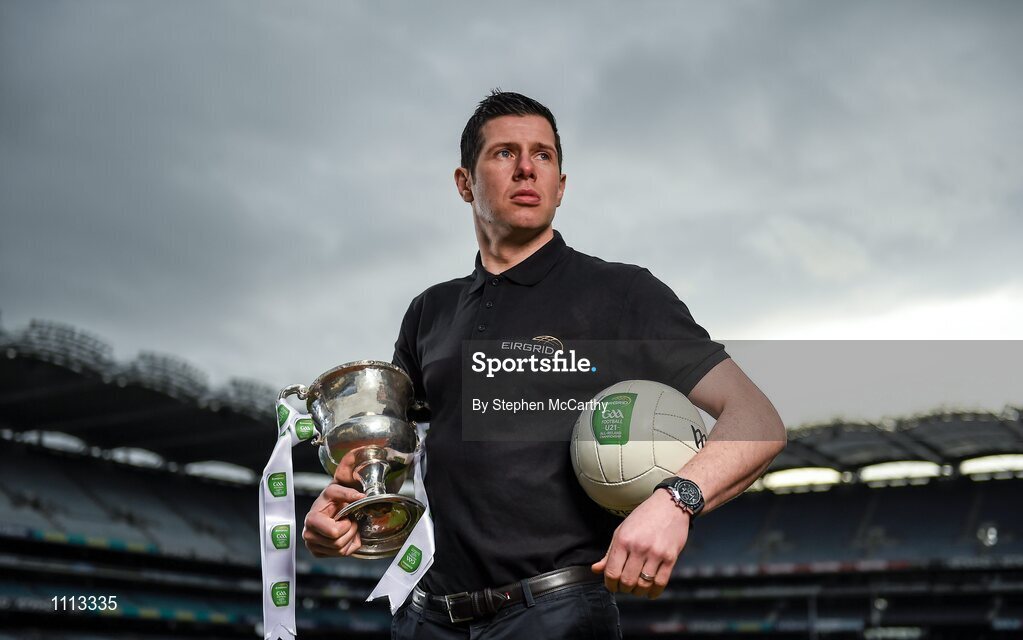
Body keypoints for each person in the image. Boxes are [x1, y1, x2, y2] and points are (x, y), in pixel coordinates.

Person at [303, 91, 787, 639]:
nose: (527, 168)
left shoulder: (622, 293)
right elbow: (394, 459)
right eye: (504, 153)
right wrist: (345, 510)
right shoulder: (428, 311)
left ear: (561, 185)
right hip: (425, 618)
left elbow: (757, 420)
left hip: (553, 614)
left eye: (544, 155)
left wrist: (676, 501)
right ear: (464, 182)